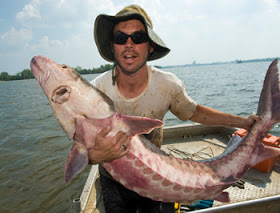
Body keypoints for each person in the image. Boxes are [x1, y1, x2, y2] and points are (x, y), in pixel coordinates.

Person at [88, 4, 258, 213]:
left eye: (138, 37)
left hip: (157, 173)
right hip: (112, 177)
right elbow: (83, 146)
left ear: (150, 46)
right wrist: (93, 156)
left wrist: (243, 122)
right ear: (113, 46)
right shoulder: (96, 90)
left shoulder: (167, 84)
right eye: (121, 38)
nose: (129, 44)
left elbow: (196, 113)